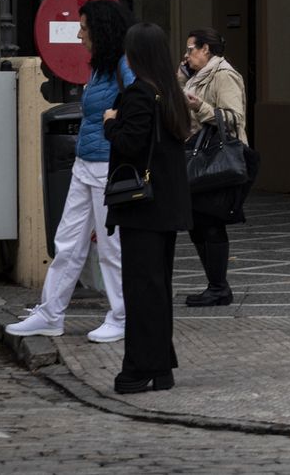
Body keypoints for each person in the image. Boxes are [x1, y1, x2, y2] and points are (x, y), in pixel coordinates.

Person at [6, 0, 132, 342]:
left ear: (101, 31)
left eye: (84, 28)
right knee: (68, 242)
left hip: (108, 165)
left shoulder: (123, 64)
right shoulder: (102, 66)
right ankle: (50, 314)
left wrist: (115, 120)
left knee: (111, 246)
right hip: (85, 163)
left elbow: (142, 103)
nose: (79, 35)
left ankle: (122, 316)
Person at [102, 22, 193, 393]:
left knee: (141, 290)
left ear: (135, 54)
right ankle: (160, 366)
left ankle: (140, 368)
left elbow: (130, 143)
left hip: (143, 206)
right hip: (165, 206)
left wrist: (111, 123)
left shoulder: (140, 93)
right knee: (156, 287)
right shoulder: (168, 91)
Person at [178, 27, 251, 306]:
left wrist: (201, 107)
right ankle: (216, 285)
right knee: (197, 223)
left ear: (205, 49)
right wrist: (182, 78)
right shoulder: (196, 76)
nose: (186, 55)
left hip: (216, 160)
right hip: (199, 157)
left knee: (211, 223)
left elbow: (233, 119)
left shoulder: (224, 75)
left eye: (190, 49)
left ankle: (219, 288)